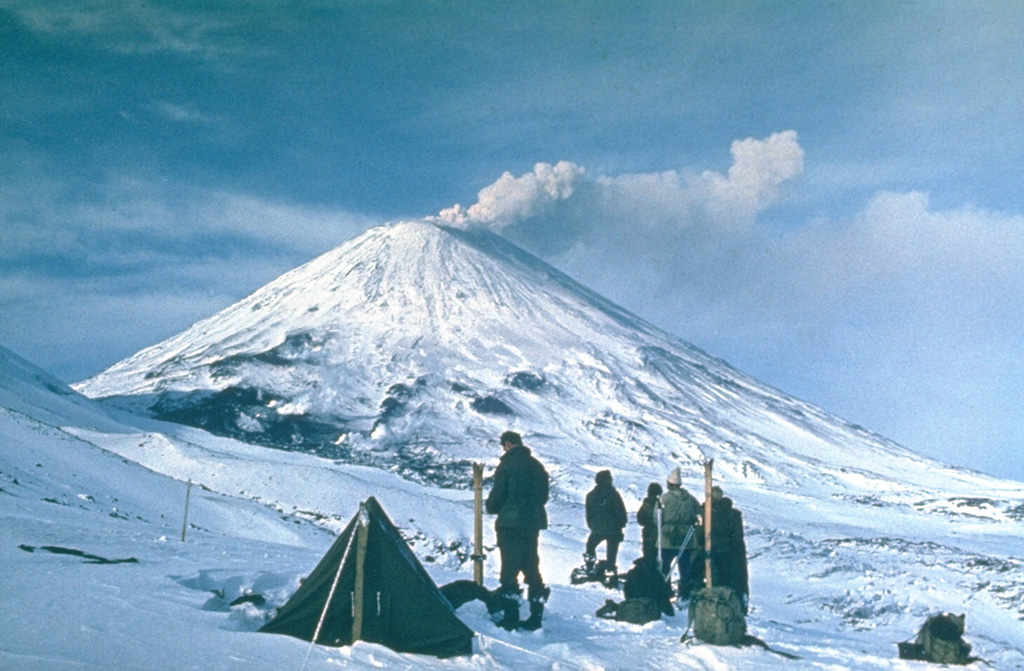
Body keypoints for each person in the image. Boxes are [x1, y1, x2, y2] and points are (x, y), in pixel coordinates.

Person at [485, 430, 550, 630]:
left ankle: (511, 617)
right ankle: (536, 617)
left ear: (507, 444)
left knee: (509, 569)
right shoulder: (537, 466)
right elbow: (543, 496)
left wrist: (491, 507)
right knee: (531, 566)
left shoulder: (507, 465)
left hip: (510, 524)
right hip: (532, 523)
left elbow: (497, 498)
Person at [703, 485, 749, 612]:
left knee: (715, 577)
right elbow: (738, 535)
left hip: (715, 550)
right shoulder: (733, 514)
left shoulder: (708, 512)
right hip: (732, 553)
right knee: (730, 579)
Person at [659, 467, 701, 599]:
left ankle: (665, 590)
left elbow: (657, 518)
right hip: (685, 537)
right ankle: (685, 593)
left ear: (669, 484)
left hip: (667, 537)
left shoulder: (664, 499)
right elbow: (700, 514)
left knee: (665, 565)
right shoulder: (691, 499)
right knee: (685, 565)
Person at [583, 470, 628, 581]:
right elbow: (621, 512)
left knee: (591, 546)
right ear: (607, 480)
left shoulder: (590, 496)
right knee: (612, 550)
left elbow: (589, 515)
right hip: (613, 530)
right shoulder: (613, 495)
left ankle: (590, 567)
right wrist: (621, 525)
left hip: (597, 529)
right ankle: (610, 568)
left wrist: (593, 526)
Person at [635, 482, 663, 561]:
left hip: (648, 536)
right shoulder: (661, 505)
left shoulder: (646, 505)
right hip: (657, 536)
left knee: (649, 558)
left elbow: (640, 520)